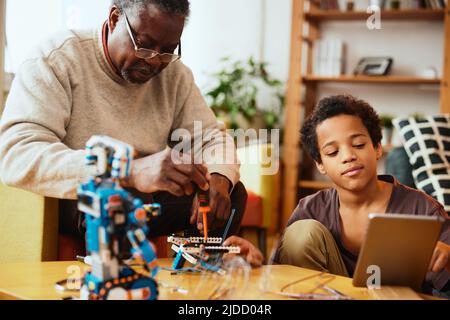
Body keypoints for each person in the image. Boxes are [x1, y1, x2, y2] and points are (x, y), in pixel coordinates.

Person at [0, 0, 247, 249]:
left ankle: (199, 274)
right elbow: (16, 155)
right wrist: (129, 171)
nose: (154, 61)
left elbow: (211, 137)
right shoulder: (57, 58)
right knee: (116, 197)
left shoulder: (174, 74)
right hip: (81, 197)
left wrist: (218, 177)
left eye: (168, 50)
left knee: (229, 194)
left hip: (142, 198)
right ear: (115, 18)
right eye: (145, 46)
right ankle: (114, 284)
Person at [272, 95, 450, 295]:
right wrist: (250, 262)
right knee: (301, 233)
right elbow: (279, 276)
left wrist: (447, 255)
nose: (348, 156)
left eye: (358, 145)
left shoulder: (422, 208)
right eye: (332, 152)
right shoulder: (310, 209)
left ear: (377, 148)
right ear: (320, 164)